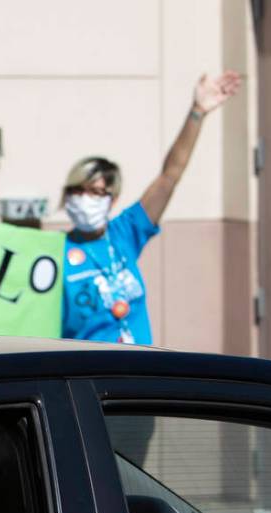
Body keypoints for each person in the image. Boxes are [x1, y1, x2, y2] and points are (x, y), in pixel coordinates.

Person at [60, 70, 242, 345]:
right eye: (79, 191)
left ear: (112, 199)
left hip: (137, 371)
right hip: (89, 378)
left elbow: (169, 177)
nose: (86, 199)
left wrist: (197, 113)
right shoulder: (55, 253)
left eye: (96, 192)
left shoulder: (123, 233)